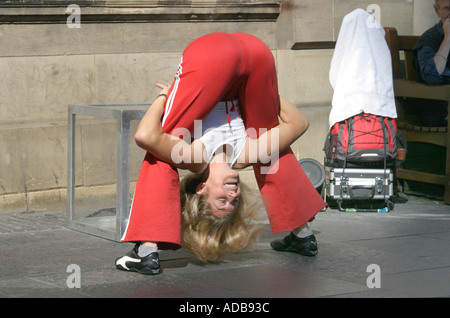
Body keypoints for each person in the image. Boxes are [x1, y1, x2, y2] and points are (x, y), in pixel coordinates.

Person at [115, 32, 327, 275]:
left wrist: (166, 96)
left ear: (201, 189)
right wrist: (267, 95)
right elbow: (298, 123)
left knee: (160, 151)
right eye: (234, 201)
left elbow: (146, 136)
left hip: (213, 55)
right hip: (255, 54)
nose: (232, 193)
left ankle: (147, 249)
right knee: (270, 145)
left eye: (222, 200)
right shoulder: (247, 154)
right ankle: (302, 232)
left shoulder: (194, 158)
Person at [411, 0, 449, 125]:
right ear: (437, 10)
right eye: (447, 9)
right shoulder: (429, 39)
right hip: (439, 114)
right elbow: (432, 75)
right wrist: (448, 39)